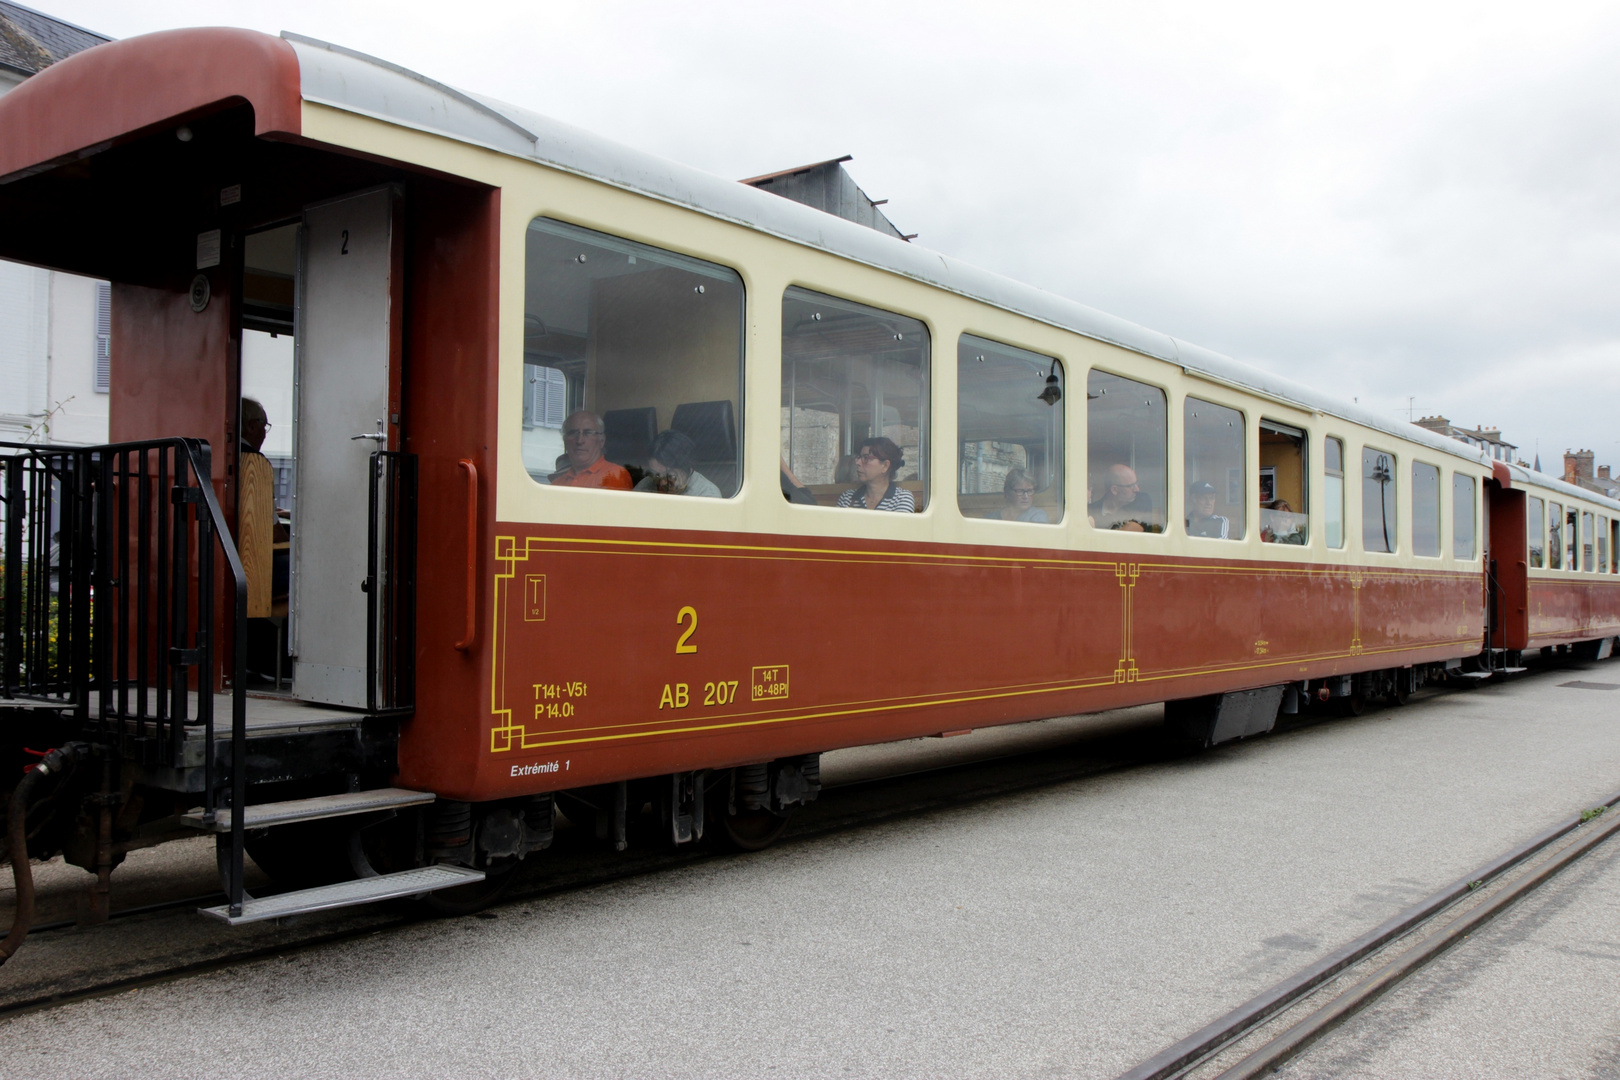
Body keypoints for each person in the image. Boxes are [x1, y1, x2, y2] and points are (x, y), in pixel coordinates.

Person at [549, 410, 632, 490]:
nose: (580, 441)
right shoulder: (557, 484)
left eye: (588, 433)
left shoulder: (614, 475)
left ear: (601, 441)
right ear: (565, 441)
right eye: (574, 433)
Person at [836, 437, 914, 512]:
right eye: (859, 457)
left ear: (885, 466)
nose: (857, 462)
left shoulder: (902, 498)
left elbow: (898, 526)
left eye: (866, 458)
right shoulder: (848, 497)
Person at [634, 430, 721, 497]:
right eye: (656, 475)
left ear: (687, 467)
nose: (662, 483)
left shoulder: (707, 494)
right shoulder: (646, 485)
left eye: (670, 475)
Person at [1089, 463, 1152, 531]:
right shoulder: (1091, 510)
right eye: (1131, 486)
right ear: (1114, 490)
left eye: (1136, 484)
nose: (1137, 489)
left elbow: (1134, 528)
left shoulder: (1142, 500)